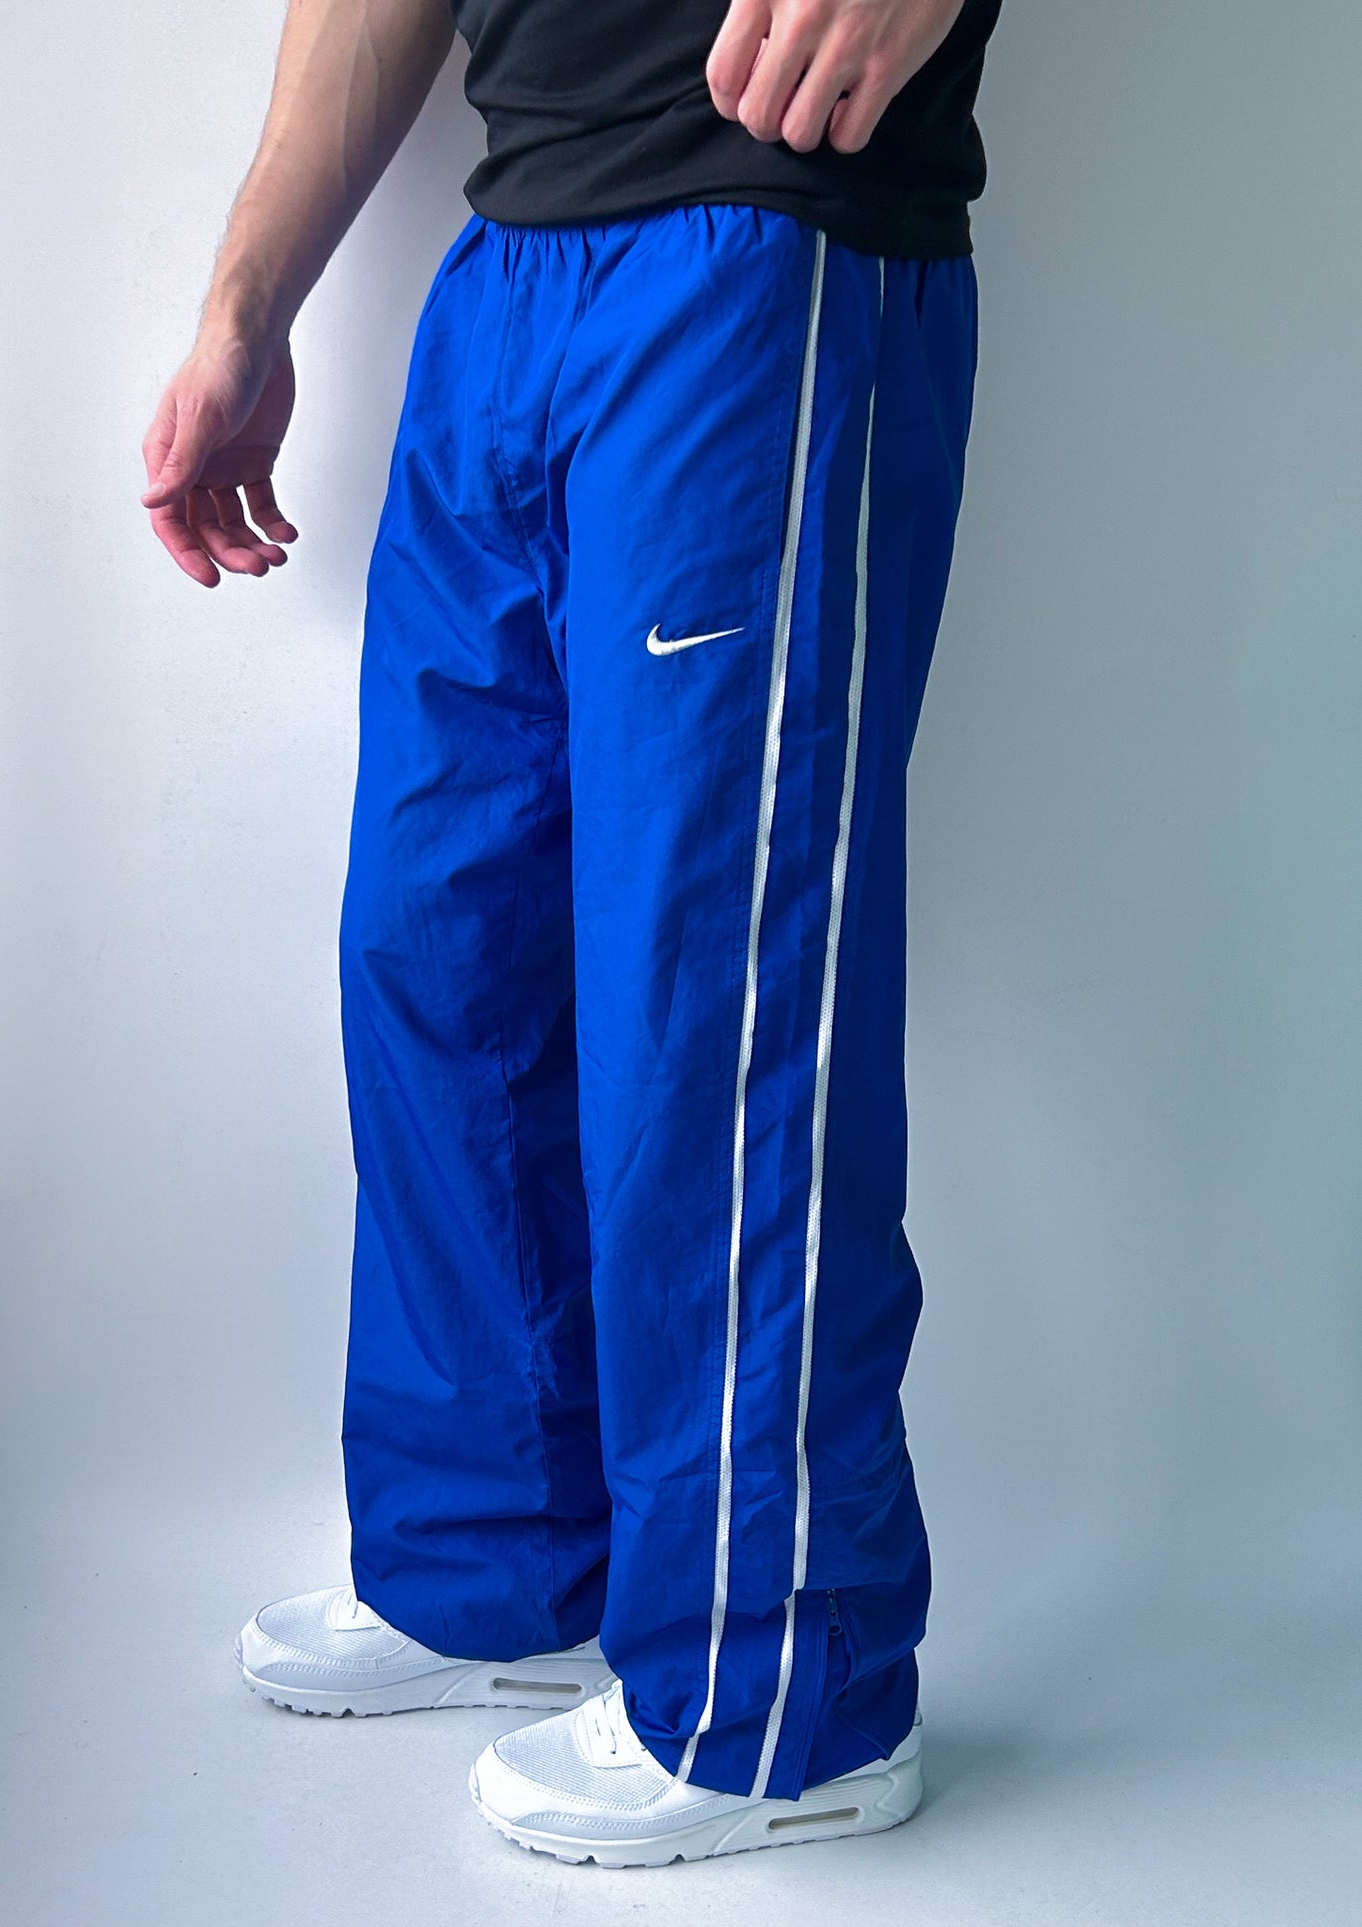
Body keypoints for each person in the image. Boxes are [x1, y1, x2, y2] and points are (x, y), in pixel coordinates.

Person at [141, 0, 1001, 1869]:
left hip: (764, 238)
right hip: (509, 267)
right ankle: (500, 1570)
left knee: (715, 994)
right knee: (442, 954)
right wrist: (246, 299)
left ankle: (785, 1700)